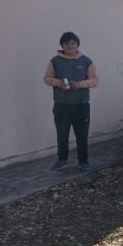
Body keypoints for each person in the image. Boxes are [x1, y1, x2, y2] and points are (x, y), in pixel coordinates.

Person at [43, 31, 99, 172]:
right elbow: (47, 78)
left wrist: (79, 84)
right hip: (61, 105)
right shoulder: (54, 61)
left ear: (77, 44)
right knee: (62, 134)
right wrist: (59, 83)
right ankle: (62, 160)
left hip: (81, 105)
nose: (70, 46)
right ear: (62, 45)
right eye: (66, 43)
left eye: (73, 43)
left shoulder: (86, 61)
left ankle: (83, 162)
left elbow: (95, 80)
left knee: (82, 134)